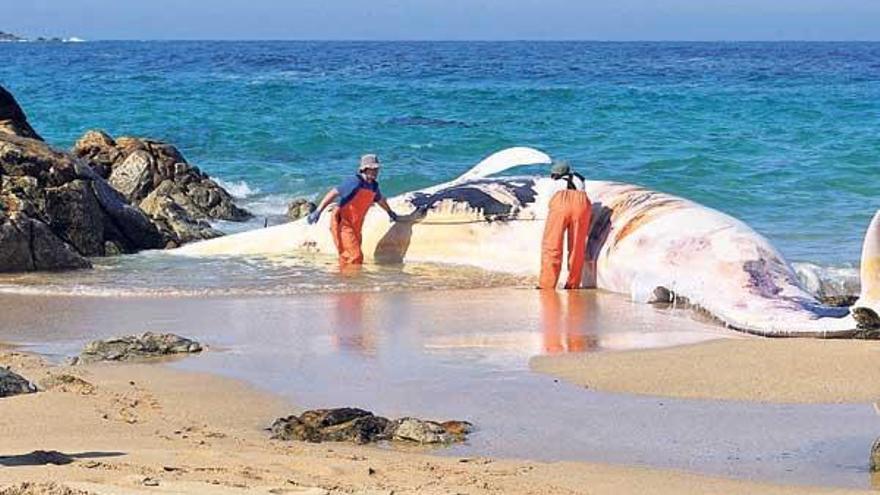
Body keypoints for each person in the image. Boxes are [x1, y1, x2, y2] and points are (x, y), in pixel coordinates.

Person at [308, 154, 399, 265]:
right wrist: (318, 211)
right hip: (343, 223)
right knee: (355, 256)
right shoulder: (354, 181)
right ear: (365, 169)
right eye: (373, 169)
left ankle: (345, 280)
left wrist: (390, 212)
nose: (376, 172)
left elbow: (380, 200)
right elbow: (334, 192)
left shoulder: (373, 186)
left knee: (349, 256)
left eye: (377, 169)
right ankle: (352, 280)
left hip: (356, 225)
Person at [539, 160, 592, 289]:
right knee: (576, 247)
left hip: (561, 205)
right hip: (581, 205)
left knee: (552, 245)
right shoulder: (580, 179)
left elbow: (550, 202)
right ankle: (573, 284)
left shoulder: (554, 183)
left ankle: (547, 284)